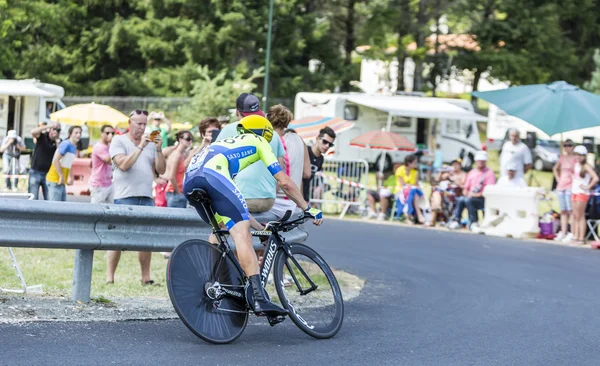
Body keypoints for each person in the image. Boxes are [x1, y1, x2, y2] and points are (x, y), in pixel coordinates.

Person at [184, 115, 323, 317]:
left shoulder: (224, 145)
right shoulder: (258, 141)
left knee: (222, 229)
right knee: (242, 236)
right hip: (213, 176)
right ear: (265, 134)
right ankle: (259, 298)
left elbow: (237, 208)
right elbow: (284, 181)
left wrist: (261, 229)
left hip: (191, 181)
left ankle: (211, 281)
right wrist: (307, 207)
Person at [107, 109, 166, 285]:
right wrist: (140, 146)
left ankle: (146, 277)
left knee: (146, 239)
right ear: (129, 124)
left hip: (146, 195)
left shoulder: (150, 145)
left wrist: (159, 149)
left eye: (144, 124)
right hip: (125, 196)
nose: (142, 127)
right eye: (139, 123)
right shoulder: (119, 140)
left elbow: (161, 170)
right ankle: (110, 277)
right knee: (117, 238)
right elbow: (124, 165)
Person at [215, 93, 285, 213]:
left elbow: (214, 162)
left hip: (242, 198)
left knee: (217, 217)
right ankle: (259, 229)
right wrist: (271, 191)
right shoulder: (272, 132)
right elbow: (281, 167)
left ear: (237, 112)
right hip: (269, 200)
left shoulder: (229, 129)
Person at [266, 104, 311, 218]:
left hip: (275, 205)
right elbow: (307, 173)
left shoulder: (271, 142)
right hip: (294, 204)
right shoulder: (299, 140)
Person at [448, 151, 496, 230]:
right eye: (479, 161)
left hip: (482, 198)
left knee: (469, 200)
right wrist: (466, 193)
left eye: (482, 161)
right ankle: (457, 220)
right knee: (461, 199)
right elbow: (466, 187)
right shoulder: (472, 172)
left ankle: (474, 221)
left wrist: (475, 195)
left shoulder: (489, 174)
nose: (480, 163)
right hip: (470, 196)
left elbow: (489, 191)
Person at [570, 145, 599, 244]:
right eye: (576, 155)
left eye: (580, 155)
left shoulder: (586, 166)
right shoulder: (576, 165)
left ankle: (581, 237)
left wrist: (588, 186)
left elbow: (595, 178)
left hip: (582, 192)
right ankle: (575, 235)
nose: (578, 157)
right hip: (574, 191)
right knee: (575, 215)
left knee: (580, 215)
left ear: (584, 156)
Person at [46, 126, 82, 201]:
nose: (78, 135)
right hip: (54, 180)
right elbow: (56, 160)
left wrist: (71, 176)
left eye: (80, 133)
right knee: (55, 209)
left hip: (61, 181)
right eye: (76, 133)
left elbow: (69, 163)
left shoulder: (73, 146)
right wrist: (61, 176)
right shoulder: (66, 144)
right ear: (70, 134)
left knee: (61, 208)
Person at [302, 127, 337, 205]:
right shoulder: (305, 151)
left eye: (330, 144)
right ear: (317, 139)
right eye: (324, 142)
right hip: (295, 194)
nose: (327, 146)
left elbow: (318, 176)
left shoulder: (321, 158)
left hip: (305, 196)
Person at [29, 123, 61, 199]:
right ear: (50, 130)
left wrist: (57, 143)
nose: (55, 132)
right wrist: (49, 126)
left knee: (49, 198)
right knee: (33, 198)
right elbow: (33, 132)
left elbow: (60, 157)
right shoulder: (43, 137)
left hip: (48, 174)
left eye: (58, 130)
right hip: (35, 171)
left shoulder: (58, 142)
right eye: (54, 129)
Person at [552, 139, 576, 242]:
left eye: (569, 145)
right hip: (561, 185)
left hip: (570, 186)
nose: (567, 147)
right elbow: (555, 168)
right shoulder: (562, 157)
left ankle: (572, 232)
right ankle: (563, 231)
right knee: (563, 211)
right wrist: (558, 178)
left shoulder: (575, 158)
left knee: (570, 210)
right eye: (565, 145)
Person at [429, 159, 466, 225]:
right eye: (453, 164)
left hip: (455, 194)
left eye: (457, 164)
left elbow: (463, 186)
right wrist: (441, 171)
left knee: (437, 194)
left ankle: (432, 219)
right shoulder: (448, 173)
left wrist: (454, 180)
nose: (455, 166)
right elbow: (436, 180)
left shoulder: (463, 174)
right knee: (436, 192)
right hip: (444, 194)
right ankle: (437, 207)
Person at [165, 130, 193, 208]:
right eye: (187, 139)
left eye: (191, 139)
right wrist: (179, 193)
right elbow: (171, 177)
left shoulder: (180, 154)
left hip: (175, 192)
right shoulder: (177, 155)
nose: (190, 141)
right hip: (174, 192)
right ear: (180, 140)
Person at [395, 154, 425, 224]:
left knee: (413, 193)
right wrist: (410, 186)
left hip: (412, 192)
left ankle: (408, 216)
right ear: (409, 163)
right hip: (401, 192)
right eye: (415, 162)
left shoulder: (415, 172)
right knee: (413, 194)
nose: (416, 164)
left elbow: (416, 184)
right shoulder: (400, 170)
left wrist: (410, 186)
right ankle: (418, 215)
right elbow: (402, 184)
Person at [89, 124, 115, 204]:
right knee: (96, 211)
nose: (110, 135)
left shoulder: (109, 146)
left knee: (113, 209)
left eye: (112, 133)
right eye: (107, 133)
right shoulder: (99, 147)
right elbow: (109, 160)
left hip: (109, 183)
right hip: (98, 184)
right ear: (101, 134)